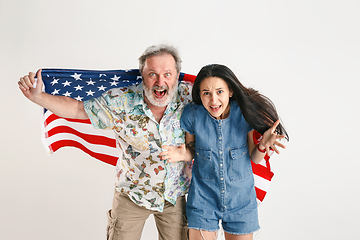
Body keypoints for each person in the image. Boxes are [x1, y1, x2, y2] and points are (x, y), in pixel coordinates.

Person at [18, 44, 193, 240]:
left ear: (177, 75)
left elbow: (220, 99)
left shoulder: (191, 97)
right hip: (131, 194)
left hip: (173, 196)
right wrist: (39, 97)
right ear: (142, 75)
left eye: (167, 74)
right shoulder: (121, 101)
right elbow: (78, 109)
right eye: (152, 74)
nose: (160, 82)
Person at [160, 64, 289, 240]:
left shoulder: (243, 114)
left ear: (230, 91)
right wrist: (183, 155)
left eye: (219, 92)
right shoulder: (192, 114)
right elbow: (191, 150)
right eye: (206, 93)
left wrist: (262, 146)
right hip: (202, 200)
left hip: (241, 202)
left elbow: (255, 158)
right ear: (199, 95)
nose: (213, 100)